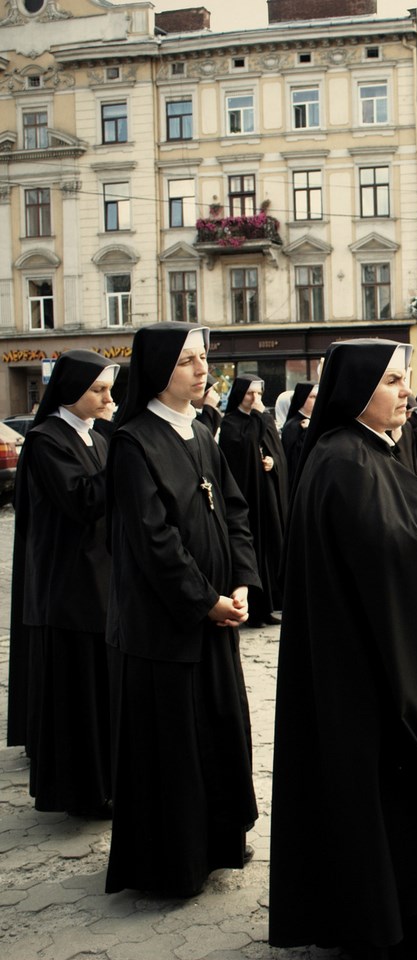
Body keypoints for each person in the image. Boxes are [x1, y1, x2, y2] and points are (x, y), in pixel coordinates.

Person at [270, 339, 417, 959]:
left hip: (370, 660)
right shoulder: (344, 460)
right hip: (365, 675)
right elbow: (387, 550)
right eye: (394, 381)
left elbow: (389, 556)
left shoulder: (363, 451)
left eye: (405, 381)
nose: (407, 391)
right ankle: (385, 923)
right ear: (357, 391)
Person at [105, 322, 259, 897]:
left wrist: (242, 581)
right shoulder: (134, 443)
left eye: (203, 359)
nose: (203, 371)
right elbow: (154, 542)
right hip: (164, 630)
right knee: (173, 748)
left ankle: (218, 842)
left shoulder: (199, 433)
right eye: (189, 361)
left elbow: (235, 511)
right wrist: (205, 601)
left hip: (216, 618)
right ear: (157, 370)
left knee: (218, 734)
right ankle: (173, 865)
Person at [12, 351, 117, 815]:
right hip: (70, 584)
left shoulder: (95, 436)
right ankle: (84, 793)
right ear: (71, 389)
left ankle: (107, 782)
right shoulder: (45, 439)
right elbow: (83, 500)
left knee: (101, 692)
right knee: (80, 695)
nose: (107, 398)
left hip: (100, 578)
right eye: (98, 390)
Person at [219, 376, 288, 627]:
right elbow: (243, 449)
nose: (255, 399)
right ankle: (255, 610)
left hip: (265, 495)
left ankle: (268, 606)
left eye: (258, 394)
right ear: (240, 394)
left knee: (269, 548)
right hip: (246, 495)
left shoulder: (261, 419)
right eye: (250, 394)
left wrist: (273, 462)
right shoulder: (230, 423)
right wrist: (260, 417)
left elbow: (275, 449)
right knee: (253, 550)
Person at [280, 381, 317, 489]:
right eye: (313, 397)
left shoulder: (314, 422)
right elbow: (295, 457)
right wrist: (307, 432)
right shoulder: (292, 426)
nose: (317, 400)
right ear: (303, 398)